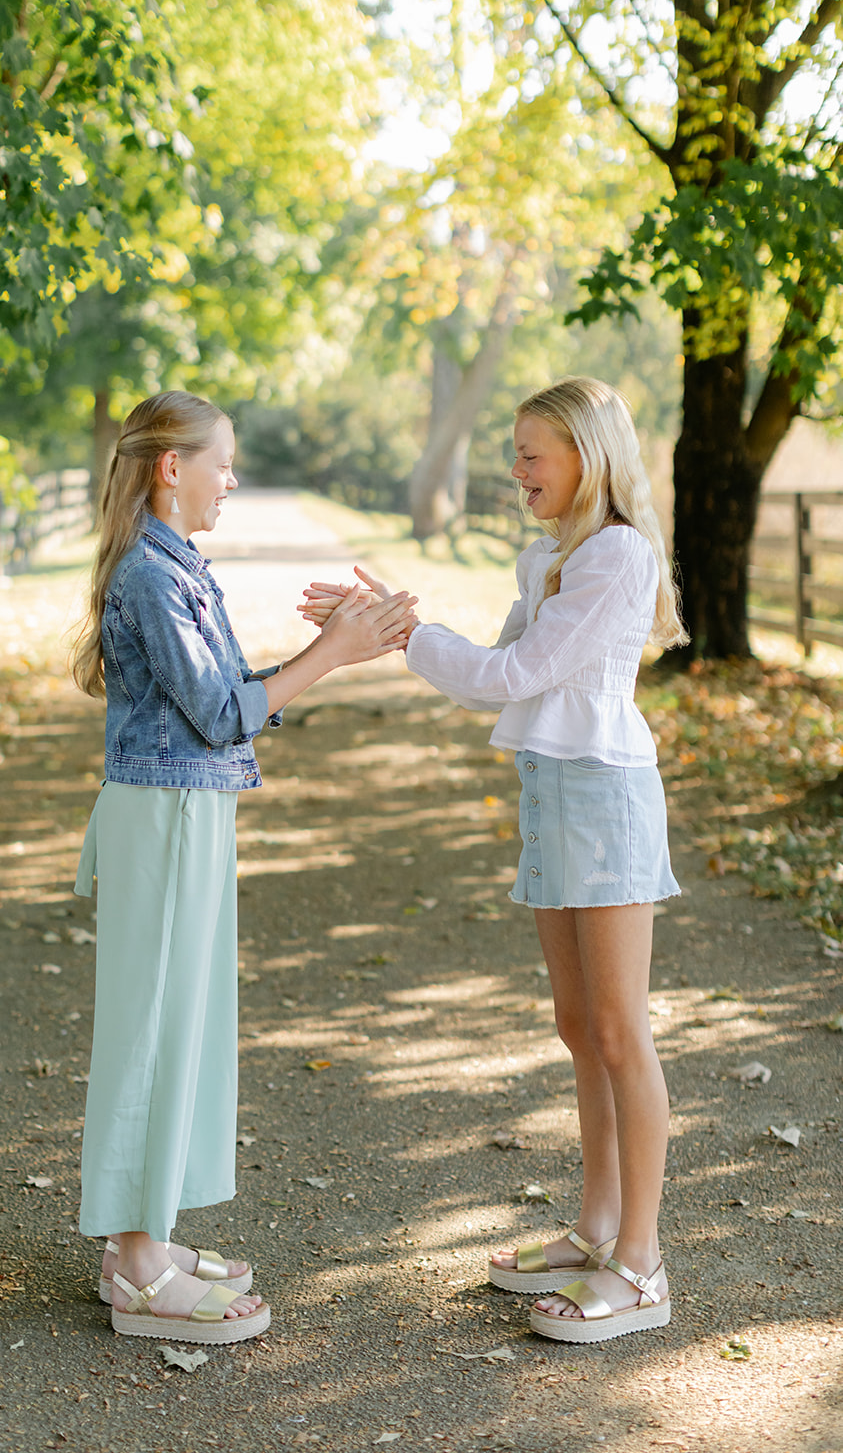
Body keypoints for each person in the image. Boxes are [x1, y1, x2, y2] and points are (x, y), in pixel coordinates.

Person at [300, 376, 686, 1344]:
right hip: (550, 792)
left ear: (584, 457)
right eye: (512, 452)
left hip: (603, 795)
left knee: (616, 1028)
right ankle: (596, 1224)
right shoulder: (545, 558)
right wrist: (395, 624)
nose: (514, 470)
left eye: (529, 453)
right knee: (574, 1023)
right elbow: (493, 672)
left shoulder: (617, 559)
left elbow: (514, 675)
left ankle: (639, 1264)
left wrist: (398, 632)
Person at [70, 390, 416, 1346]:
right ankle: (139, 1269)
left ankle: (143, 1240)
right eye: (221, 462)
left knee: (180, 1022)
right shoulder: (148, 574)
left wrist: (334, 642)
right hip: (164, 819)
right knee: (151, 1025)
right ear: (169, 467)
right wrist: (333, 655)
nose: (231, 479)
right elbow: (223, 714)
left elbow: (219, 696)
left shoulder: (175, 565)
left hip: (188, 811)